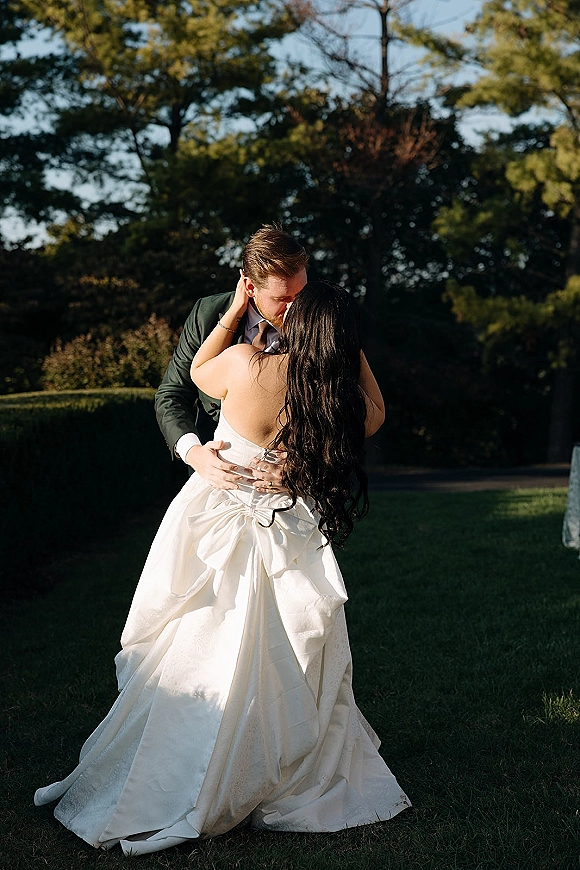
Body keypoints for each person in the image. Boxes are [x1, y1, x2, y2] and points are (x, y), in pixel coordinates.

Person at [34, 280, 410, 855]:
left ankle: (177, 758)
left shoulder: (241, 363)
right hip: (289, 533)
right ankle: (274, 763)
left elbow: (196, 373)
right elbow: (378, 413)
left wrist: (236, 308)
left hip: (215, 521)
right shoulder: (336, 401)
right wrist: (347, 350)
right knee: (288, 652)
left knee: (197, 637)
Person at [155, 223, 308, 492]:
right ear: (249, 286)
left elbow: (338, 407)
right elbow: (172, 394)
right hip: (215, 482)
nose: (295, 307)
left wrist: (308, 466)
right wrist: (195, 454)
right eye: (283, 298)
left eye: (301, 294)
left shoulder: (320, 322)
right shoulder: (207, 313)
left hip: (292, 488)